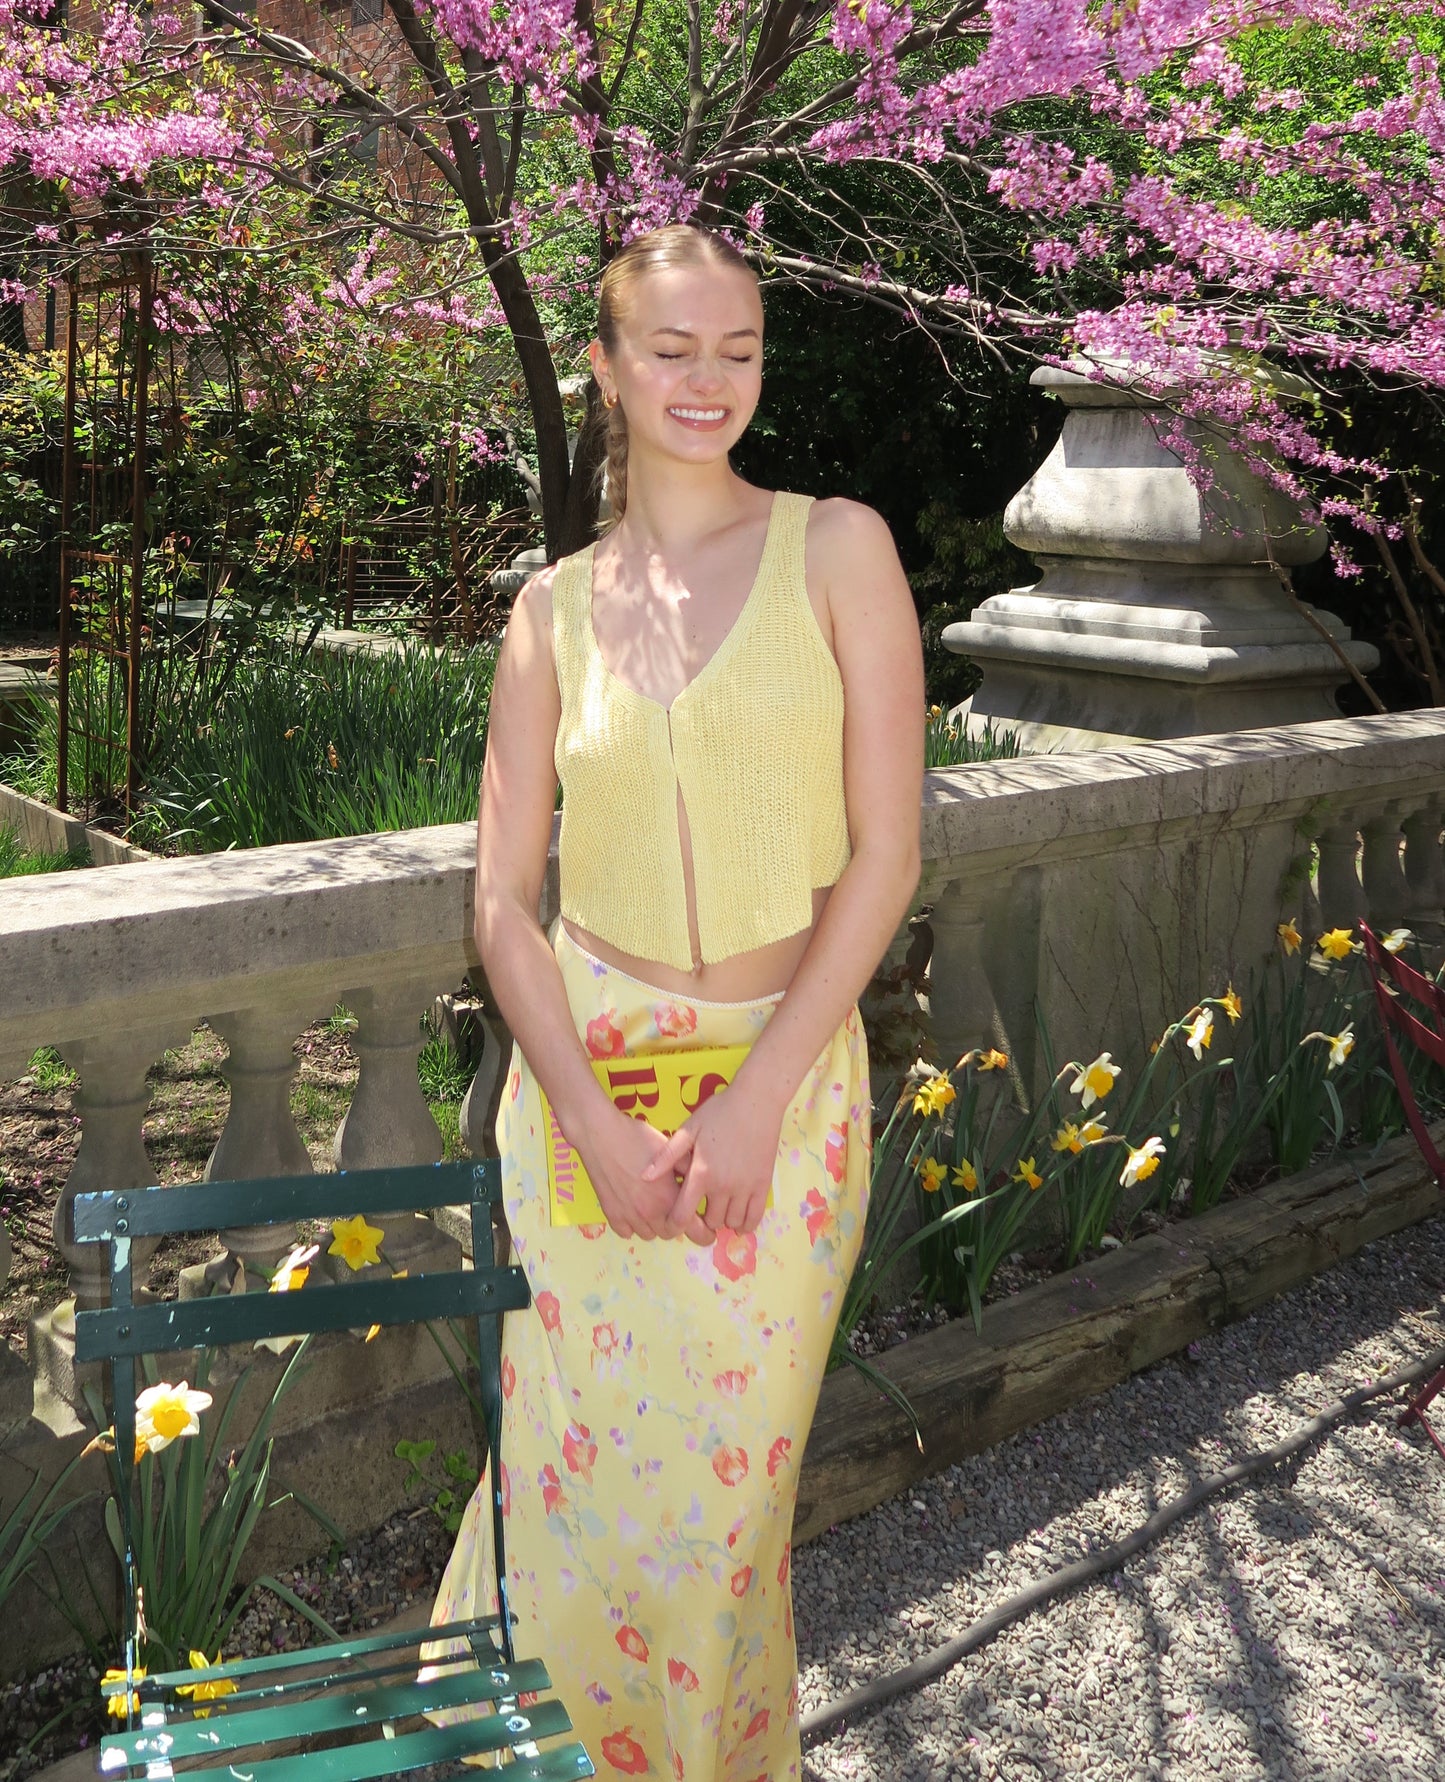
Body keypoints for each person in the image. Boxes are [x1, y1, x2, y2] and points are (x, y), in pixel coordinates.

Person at [426, 222, 923, 1781]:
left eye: (738, 349)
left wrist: (760, 1094)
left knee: (718, 1515)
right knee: (565, 1488)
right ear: (605, 365)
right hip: (583, 1091)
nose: (705, 380)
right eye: (669, 348)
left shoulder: (838, 546)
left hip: (781, 1091)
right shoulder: (547, 616)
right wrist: (577, 1110)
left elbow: (887, 853)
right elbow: (503, 900)